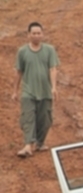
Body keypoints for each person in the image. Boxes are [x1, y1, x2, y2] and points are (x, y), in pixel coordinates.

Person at [12, 21, 59, 157]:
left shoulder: (49, 50)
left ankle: (40, 142)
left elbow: (53, 69)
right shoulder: (22, 52)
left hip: (45, 92)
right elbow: (19, 71)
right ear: (28, 35)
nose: (36, 36)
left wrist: (54, 88)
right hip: (28, 91)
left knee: (45, 119)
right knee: (28, 117)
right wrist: (15, 91)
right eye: (34, 33)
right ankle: (28, 145)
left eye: (39, 33)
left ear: (42, 34)